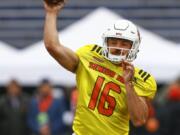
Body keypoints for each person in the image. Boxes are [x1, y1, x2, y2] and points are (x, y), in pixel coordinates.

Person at [43, 1, 157, 135]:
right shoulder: (89, 55)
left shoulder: (142, 79)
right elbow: (53, 47)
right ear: (105, 42)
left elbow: (139, 120)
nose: (117, 47)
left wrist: (129, 83)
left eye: (124, 43)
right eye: (113, 42)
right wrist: (51, 13)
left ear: (134, 46)